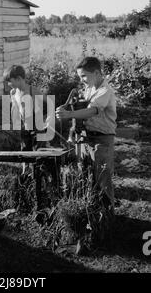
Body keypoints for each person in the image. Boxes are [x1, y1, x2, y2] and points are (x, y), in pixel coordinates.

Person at [56, 56, 116, 211]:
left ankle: (107, 215)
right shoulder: (89, 89)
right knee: (86, 173)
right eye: (79, 76)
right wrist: (69, 108)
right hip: (86, 137)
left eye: (84, 76)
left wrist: (69, 115)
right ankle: (92, 210)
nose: (81, 80)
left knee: (103, 177)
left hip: (102, 140)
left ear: (96, 73)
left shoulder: (105, 91)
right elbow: (80, 107)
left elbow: (92, 111)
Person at [3, 64, 47, 153]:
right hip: (24, 126)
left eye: (9, 81)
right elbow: (15, 108)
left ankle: (40, 166)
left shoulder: (32, 91)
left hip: (37, 126)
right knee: (25, 151)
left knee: (39, 151)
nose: (8, 84)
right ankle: (26, 166)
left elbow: (47, 102)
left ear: (18, 79)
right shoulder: (13, 92)